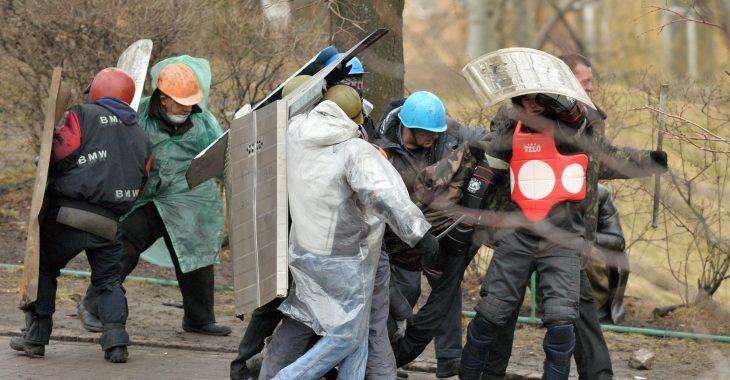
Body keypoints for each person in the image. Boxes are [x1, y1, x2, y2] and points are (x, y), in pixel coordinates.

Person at [456, 91, 668, 380]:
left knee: (562, 323)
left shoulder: (576, 130)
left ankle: (592, 373)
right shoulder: (510, 125)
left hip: (562, 238)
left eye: (537, 100)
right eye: (524, 99)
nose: (530, 105)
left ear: (555, 100)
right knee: (491, 314)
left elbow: (608, 158)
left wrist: (648, 161)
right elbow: (485, 156)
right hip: (516, 234)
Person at [258, 82, 438, 380]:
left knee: (312, 321)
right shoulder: (355, 152)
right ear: (355, 121)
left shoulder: (294, 134)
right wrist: (418, 234)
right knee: (348, 336)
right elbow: (385, 196)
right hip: (344, 258)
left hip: (303, 251)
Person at [78, 56, 231, 336]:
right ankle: (93, 305)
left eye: (190, 102)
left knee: (195, 252)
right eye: (180, 102)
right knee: (122, 243)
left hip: (189, 197)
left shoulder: (203, 122)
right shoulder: (139, 115)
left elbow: (221, 158)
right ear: (163, 99)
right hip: (149, 196)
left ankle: (199, 319)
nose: (187, 108)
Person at [10, 68, 151, 363]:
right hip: (109, 222)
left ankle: (35, 338)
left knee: (46, 269)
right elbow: (145, 177)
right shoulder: (140, 133)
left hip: (67, 214)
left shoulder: (81, 115)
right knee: (109, 281)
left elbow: (60, 152)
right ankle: (116, 344)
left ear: (98, 90)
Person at [373, 91, 487, 378]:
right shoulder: (382, 151)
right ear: (407, 126)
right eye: (426, 133)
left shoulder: (444, 132)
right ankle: (385, 354)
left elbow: (476, 135)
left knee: (447, 286)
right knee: (405, 291)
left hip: (439, 229)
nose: (433, 138)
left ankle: (449, 358)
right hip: (399, 238)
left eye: (436, 132)